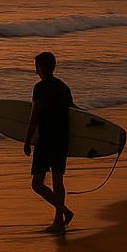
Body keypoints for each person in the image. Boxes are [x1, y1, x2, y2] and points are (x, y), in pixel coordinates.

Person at [25, 51, 75, 234]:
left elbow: (35, 116)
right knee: (57, 180)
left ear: (41, 68)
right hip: (62, 139)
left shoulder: (40, 88)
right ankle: (59, 220)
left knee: (37, 184)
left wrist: (27, 140)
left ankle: (64, 212)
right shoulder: (63, 86)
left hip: (46, 140)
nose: (36, 70)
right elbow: (74, 111)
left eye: (37, 66)